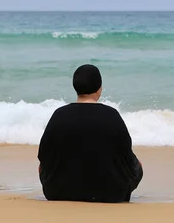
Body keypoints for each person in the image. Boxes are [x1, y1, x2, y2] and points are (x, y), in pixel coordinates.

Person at [37, 64, 143, 203]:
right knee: (138, 165)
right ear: (100, 88)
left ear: (75, 87)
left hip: (59, 191)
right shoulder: (111, 115)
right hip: (112, 192)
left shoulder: (59, 115)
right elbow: (127, 157)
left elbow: (43, 157)